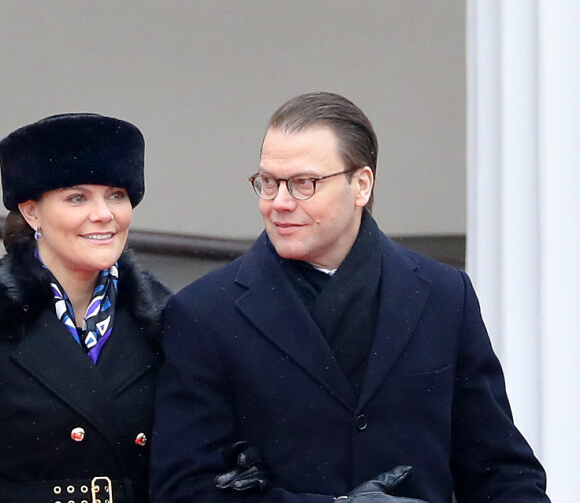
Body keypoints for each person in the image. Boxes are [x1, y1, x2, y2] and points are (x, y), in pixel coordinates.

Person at [150, 92, 550, 502]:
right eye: (268, 183)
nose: (279, 203)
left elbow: (500, 470)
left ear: (361, 185)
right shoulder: (204, 312)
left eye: (304, 183)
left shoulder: (445, 295)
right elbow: (184, 489)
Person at [0, 113, 170, 502]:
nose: (103, 214)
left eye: (116, 195)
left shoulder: (167, 321)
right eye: (77, 197)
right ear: (31, 211)